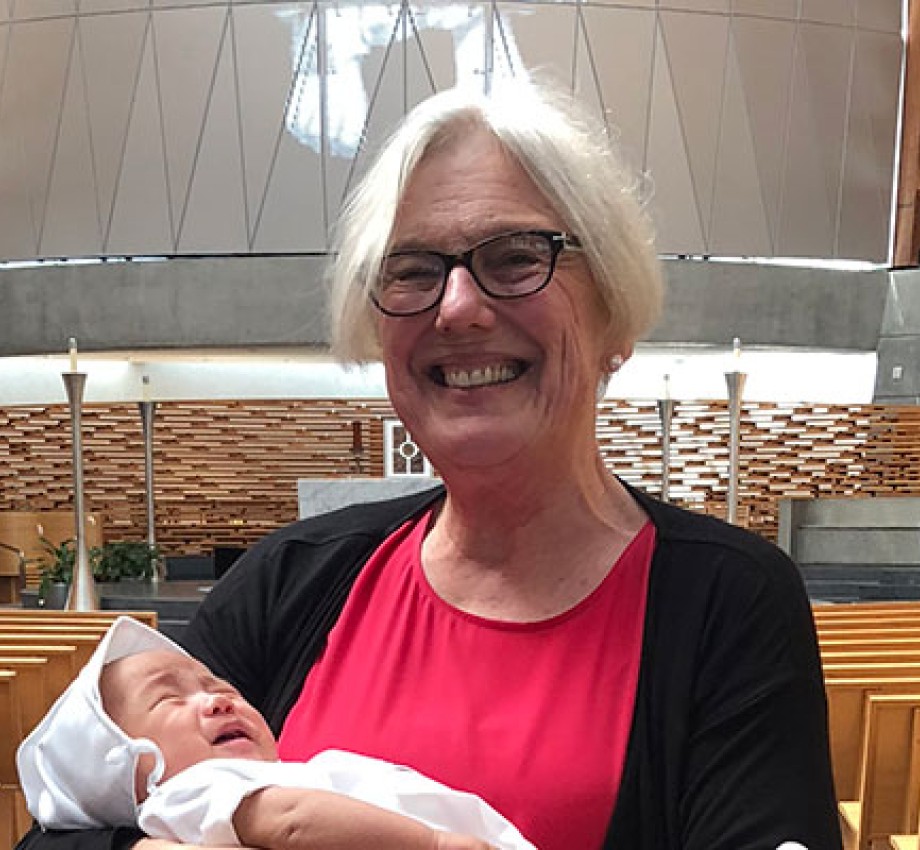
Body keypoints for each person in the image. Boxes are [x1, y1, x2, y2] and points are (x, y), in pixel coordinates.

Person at [16, 80, 843, 850]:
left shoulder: (729, 602)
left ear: (613, 316)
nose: (457, 308)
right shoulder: (294, 579)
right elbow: (78, 805)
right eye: (413, 271)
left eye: (518, 256)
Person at [16, 616, 534, 850]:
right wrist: (434, 844)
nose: (218, 698)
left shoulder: (279, 774)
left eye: (220, 687)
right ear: (123, 766)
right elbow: (291, 822)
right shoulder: (185, 796)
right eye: (171, 698)